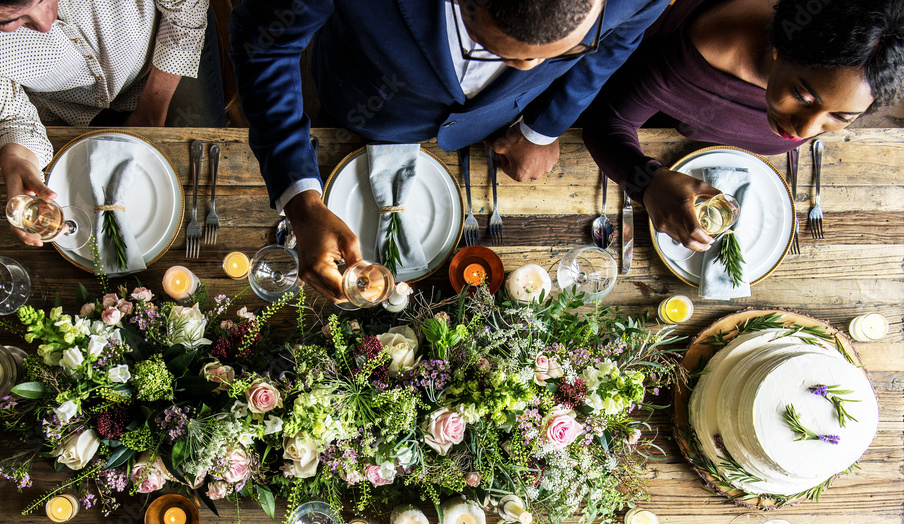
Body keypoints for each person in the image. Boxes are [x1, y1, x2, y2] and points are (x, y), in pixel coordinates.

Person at [229, 0, 673, 301]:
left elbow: (616, 41)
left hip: (504, 122)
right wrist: (301, 204)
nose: (527, 69)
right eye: (502, 52)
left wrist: (542, 127)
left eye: (562, 50)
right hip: (367, 102)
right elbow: (265, 46)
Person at [580, 0, 904, 250]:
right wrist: (647, 182)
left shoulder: (857, 77)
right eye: (802, 96)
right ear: (779, 47)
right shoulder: (684, 61)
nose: (805, 131)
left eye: (841, 117)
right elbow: (606, 121)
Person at [0, 0, 225, 246]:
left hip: (168, 48)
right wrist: (16, 157)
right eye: (11, 20)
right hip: (65, 102)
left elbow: (185, 13)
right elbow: (7, 112)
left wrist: (152, 110)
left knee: (208, 172)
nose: (46, 23)